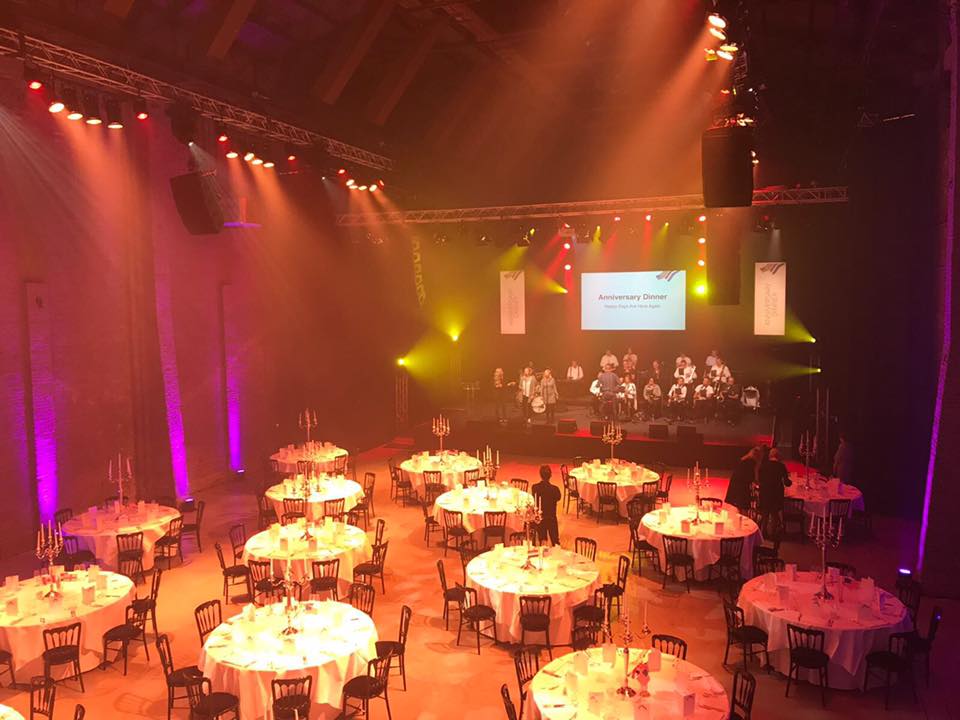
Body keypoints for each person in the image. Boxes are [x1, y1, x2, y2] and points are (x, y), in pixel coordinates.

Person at [758, 447, 792, 538]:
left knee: (765, 513)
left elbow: (759, 479)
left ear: (770, 455)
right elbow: (787, 482)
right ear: (778, 456)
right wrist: (791, 482)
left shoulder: (764, 465)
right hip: (776, 493)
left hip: (765, 492)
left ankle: (763, 533)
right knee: (774, 514)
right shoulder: (781, 466)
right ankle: (772, 534)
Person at [532, 464, 562, 545]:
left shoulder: (535, 487)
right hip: (551, 518)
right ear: (550, 475)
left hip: (540, 518)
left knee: (542, 541)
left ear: (540, 475)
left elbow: (534, 497)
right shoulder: (555, 489)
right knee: (555, 541)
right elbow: (558, 498)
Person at [726, 447, 760, 513]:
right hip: (743, 485)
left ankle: (740, 515)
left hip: (736, 484)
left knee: (739, 504)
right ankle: (744, 517)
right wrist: (756, 482)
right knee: (744, 504)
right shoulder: (751, 462)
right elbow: (751, 476)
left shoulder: (743, 459)